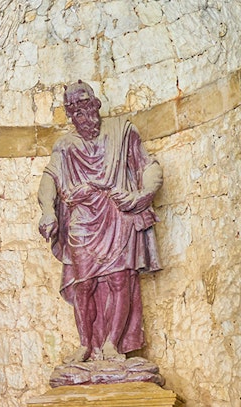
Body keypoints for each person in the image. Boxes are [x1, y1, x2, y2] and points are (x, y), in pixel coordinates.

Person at [38, 81, 163, 362]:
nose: (84, 118)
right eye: (76, 114)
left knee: (120, 280)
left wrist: (143, 195)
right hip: (82, 219)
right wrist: (47, 210)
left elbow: (148, 165)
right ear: (70, 116)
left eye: (87, 109)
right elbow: (50, 179)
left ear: (96, 105)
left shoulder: (122, 131)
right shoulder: (65, 146)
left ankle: (111, 344)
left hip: (119, 213)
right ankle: (86, 344)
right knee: (83, 284)